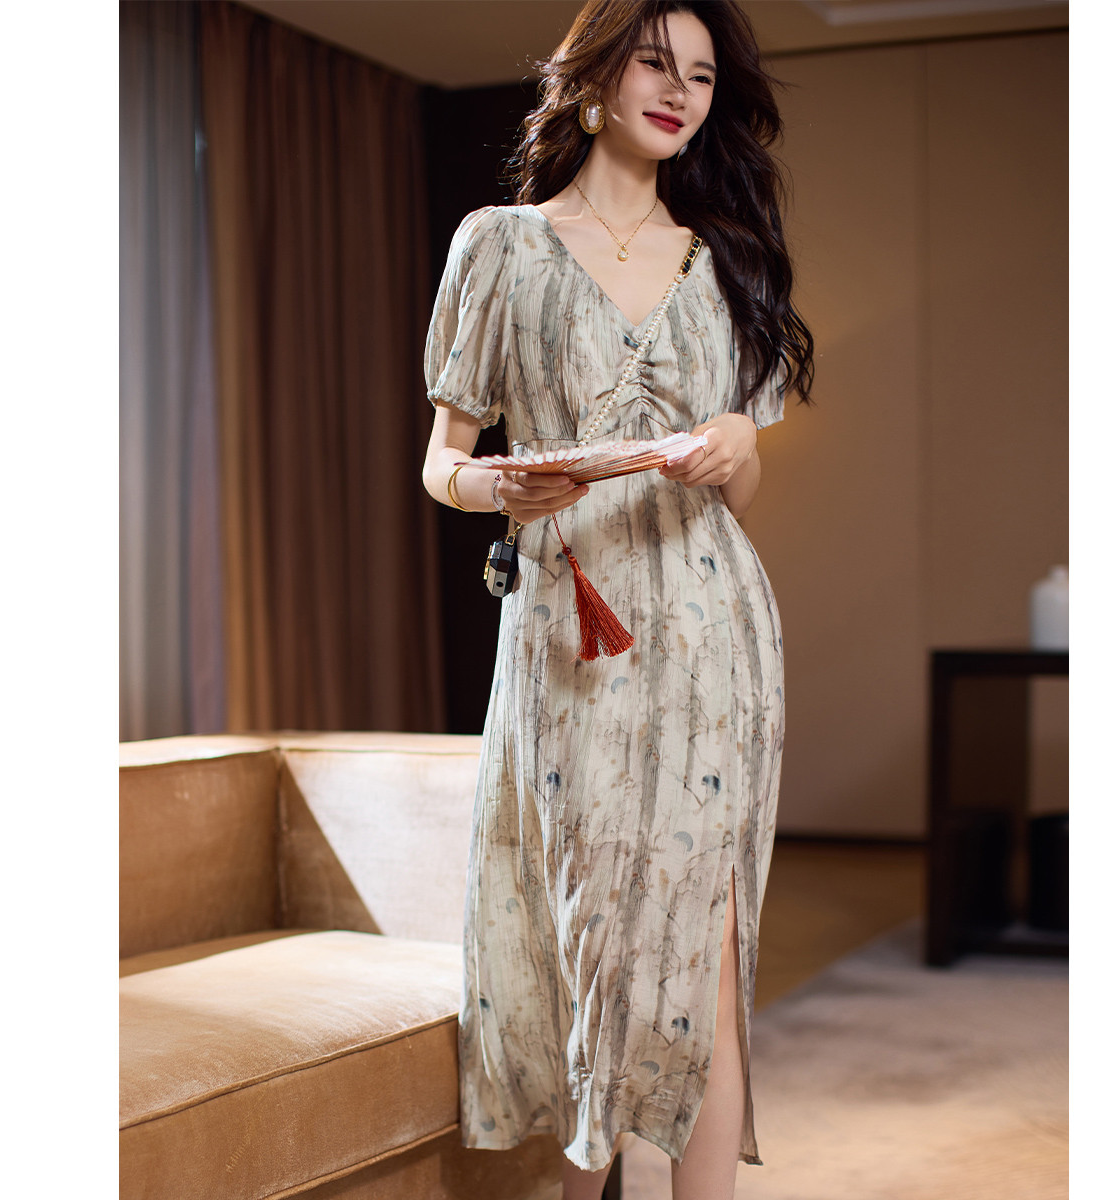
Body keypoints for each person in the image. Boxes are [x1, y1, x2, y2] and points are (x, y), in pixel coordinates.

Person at [421, 3, 813, 1197]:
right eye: (654, 62)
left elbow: (741, 487)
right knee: (591, 936)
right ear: (593, 80)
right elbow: (442, 464)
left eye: (701, 75)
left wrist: (738, 443)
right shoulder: (500, 246)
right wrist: (499, 486)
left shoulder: (726, 258)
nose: (680, 90)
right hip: (571, 636)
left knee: (707, 955)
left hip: (712, 631)